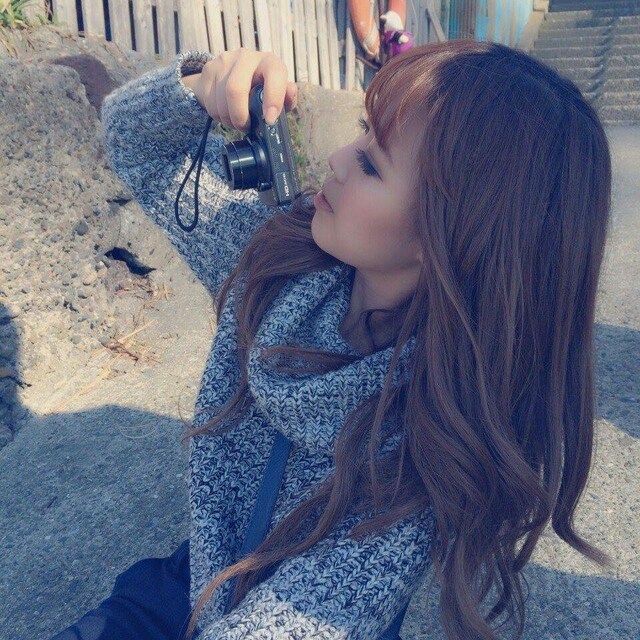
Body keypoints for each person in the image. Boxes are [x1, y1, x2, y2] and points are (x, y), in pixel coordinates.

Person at [50, 40, 613, 640]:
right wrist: (200, 85)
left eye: (372, 165)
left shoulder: (437, 438)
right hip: (190, 583)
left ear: (455, 237)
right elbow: (138, 145)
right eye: (361, 132)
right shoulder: (276, 262)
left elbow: (304, 621)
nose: (337, 159)